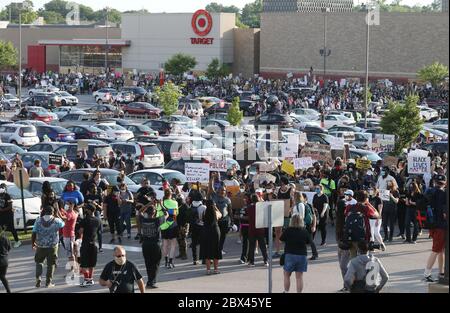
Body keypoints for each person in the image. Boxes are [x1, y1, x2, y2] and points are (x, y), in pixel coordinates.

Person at [31, 205, 65, 288]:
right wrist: (56, 215)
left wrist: (33, 243)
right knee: (51, 264)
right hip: (52, 246)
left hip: (41, 245)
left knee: (39, 262)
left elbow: (34, 232)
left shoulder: (38, 220)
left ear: (44, 211)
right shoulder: (56, 221)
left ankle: (38, 279)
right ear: (53, 212)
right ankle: (48, 282)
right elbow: (63, 224)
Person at [423, 175, 447, 283]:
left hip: (432, 224)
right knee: (436, 250)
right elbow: (444, 213)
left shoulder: (430, 191)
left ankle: (441, 272)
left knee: (440, 250)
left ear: (435, 182)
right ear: (444, 183)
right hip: (441, 225)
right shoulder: (443, 194)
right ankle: (427, 273)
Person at [280, 214, 312, 293]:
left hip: (290, 254)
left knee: (287, 274)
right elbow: (309, 242)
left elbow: (281, 239)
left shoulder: (288, 230)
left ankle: (286, 291)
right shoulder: (304, 231)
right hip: (302, 255)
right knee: (299, 277)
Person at [139, 201, 168, 289]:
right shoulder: (157, 220)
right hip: (155, 244)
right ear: (154, 212)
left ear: (147, 212)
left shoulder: (143, 219)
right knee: (155, 263)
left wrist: (148, 204)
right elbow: (166, 214)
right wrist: (161, 204)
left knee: (148, 263)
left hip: (145, 244)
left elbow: (139, 211)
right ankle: (152, 281)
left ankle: (150, 281)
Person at [344, 191, 380, 258]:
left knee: (353, 257)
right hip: (363, 237)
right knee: (364, 257)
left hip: (350, 235)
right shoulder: (366, 208)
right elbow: (377, 215)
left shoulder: (349, 207)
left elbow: (345, 215)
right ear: (366, 198)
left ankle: (353, 267)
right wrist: (368, 204)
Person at [208, 172, 232, 255]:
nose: (222, 191)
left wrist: (231, 222)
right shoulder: (214, 196)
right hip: (216, 221)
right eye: (221, 190)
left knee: (223, 237)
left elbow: (230, 211)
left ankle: (220, 249)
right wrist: (212, 178)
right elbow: (210, 188)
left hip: (225, 221)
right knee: (215, 236)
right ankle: (215, 249)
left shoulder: (228, 200)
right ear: (218, 190)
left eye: (224, 190)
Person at [78, 203, 101, 287]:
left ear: (88, 210)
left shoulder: (84, 220)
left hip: (85, 244)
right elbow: (98, 231)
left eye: (86, 209)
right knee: (92, 263)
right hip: (94, 244)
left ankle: (86, 279)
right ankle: (90, 279)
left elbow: (80, 231)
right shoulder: (98, 220)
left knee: (84, 263)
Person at [200, 200, 222, 275]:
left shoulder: (204, 212)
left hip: (206, 231)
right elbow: (221, 215)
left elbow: (201, 219)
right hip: (215, 231)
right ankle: (216, 269)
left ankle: (208, 270)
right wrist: (216, 207)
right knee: (216, 249)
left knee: (207, 250)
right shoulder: (215, 213)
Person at [247, 194, 269, 267]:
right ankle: (266, 261)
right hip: (260, 228)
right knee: (263, 246)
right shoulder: (261, 207)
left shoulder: (249, 207)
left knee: (251, 246)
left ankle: (252, 262)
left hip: (252, 229)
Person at [275, 177, 294, 257]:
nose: (280, 183)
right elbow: (275, 199)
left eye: (281, 182)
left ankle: (288, 251)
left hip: (287, 214)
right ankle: (277, 251)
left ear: (284, 182)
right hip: (278, 213)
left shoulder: (290, 190)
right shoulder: (278, 190)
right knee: (277, 232)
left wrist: (290, 209)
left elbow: (293, 202)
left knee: (288, 232)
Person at [160, 188, 179, 269]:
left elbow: (159, 214)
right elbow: (176, 213)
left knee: (165, 244)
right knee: (173, 244)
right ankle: (170, 262)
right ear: (171, 194)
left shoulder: (161, 203)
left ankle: (166, 261)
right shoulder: (175, 202)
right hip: (172, 224)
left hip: (163, 225)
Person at [0, 183, 21, 248]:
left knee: (11, 228)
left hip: (8, 215)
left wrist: (2, 210)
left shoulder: (8, 196)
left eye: (3, 188)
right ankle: (3, 242)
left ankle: (17, 241)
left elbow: (10, 206)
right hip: (1, 215)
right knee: (1, 228)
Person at [84, 184, 104, 252]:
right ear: (90, 189)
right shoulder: (87, 197)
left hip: (97, 213)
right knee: (90, 232)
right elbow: (84, 205)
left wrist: (96, 204)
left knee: (99, 231)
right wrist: (89, 204)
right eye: (93, 188)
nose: (94, 189)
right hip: (89, 215)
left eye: (95, 188)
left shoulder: (99, 196)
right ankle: (91, 246)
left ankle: (100, 247)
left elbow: (101, 207)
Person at [190, 190, 206, 265]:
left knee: (194, 243)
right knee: (203, 243)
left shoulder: (191, 206)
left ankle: (195, 260)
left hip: (193, 226)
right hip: (202, 226)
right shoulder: (203, 207)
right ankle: (203, 259)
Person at [60, 199, 79, 264]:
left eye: (68, 204)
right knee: (71, 252)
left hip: (69, 236)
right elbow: (64, 213)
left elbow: (63, 218)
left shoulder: (71, 213)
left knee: (70, 254)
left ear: (72, 205)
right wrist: (60, 209)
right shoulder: (69, 212)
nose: (66, 205)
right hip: (68, 235)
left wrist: (57, 210)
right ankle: (75, 268)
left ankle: (72, 271)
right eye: (66, 204)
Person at [368, 187, 385, 251]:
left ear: (375, 191)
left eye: (371, 189)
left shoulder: (378, 199)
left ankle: (381, 243)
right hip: (370, 218)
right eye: (369, 189)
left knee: (376, 233)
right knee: (370, 233)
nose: (370, 191)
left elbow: (380, 210)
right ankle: (371, 246)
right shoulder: (369, 198)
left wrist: (378, 219)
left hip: (376, 218)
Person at [0, 226, 11, 293]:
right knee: (2, 276)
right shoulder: (5, 238)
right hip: (5, 261)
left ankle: (8, 290)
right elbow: (9, 248)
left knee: (2, 277)